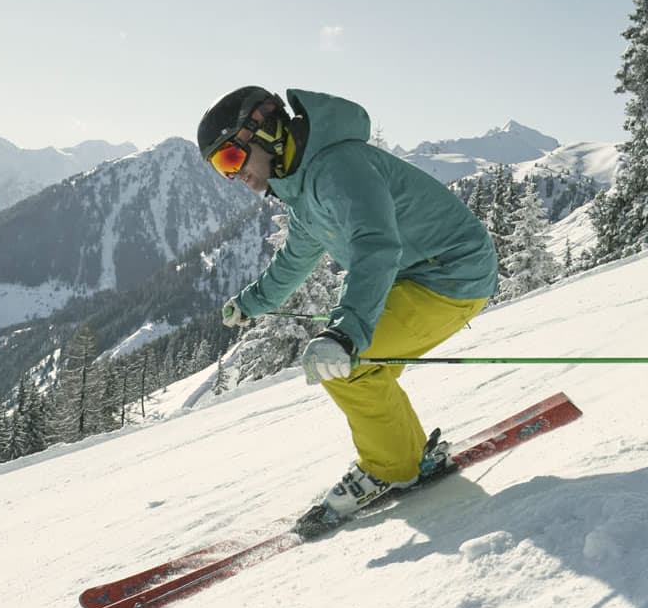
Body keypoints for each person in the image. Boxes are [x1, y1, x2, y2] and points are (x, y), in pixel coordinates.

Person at [197, 85, 499, 528]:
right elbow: (296, 257)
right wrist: (251, 303)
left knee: (349, 365)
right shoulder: (302, 185)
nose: (233, 176)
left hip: (451, 275)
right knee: (362, 365)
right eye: (221, 169)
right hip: (416, 274)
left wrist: (344, 333)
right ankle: (409, 456)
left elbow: (375, 245)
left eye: (230, 159)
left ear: (264, 134)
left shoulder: (339, 168)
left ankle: (394, 468)